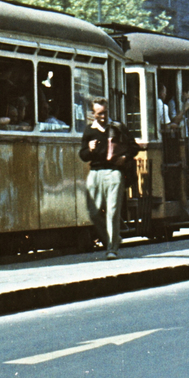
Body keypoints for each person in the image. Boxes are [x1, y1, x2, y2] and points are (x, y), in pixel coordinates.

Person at [78, 98, 138, 258]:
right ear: (93, 114)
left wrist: (124, 157)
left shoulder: (118, 127)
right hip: (96, 173)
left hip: (114, 173)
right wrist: (90, 150)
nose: (103, 117)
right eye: (99, 114)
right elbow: (83, 155)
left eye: (105, 113)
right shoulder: (89, 130)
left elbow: (134, 147)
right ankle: (113, 238)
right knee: (93, 211)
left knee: (112, 211)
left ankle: (112, 248)